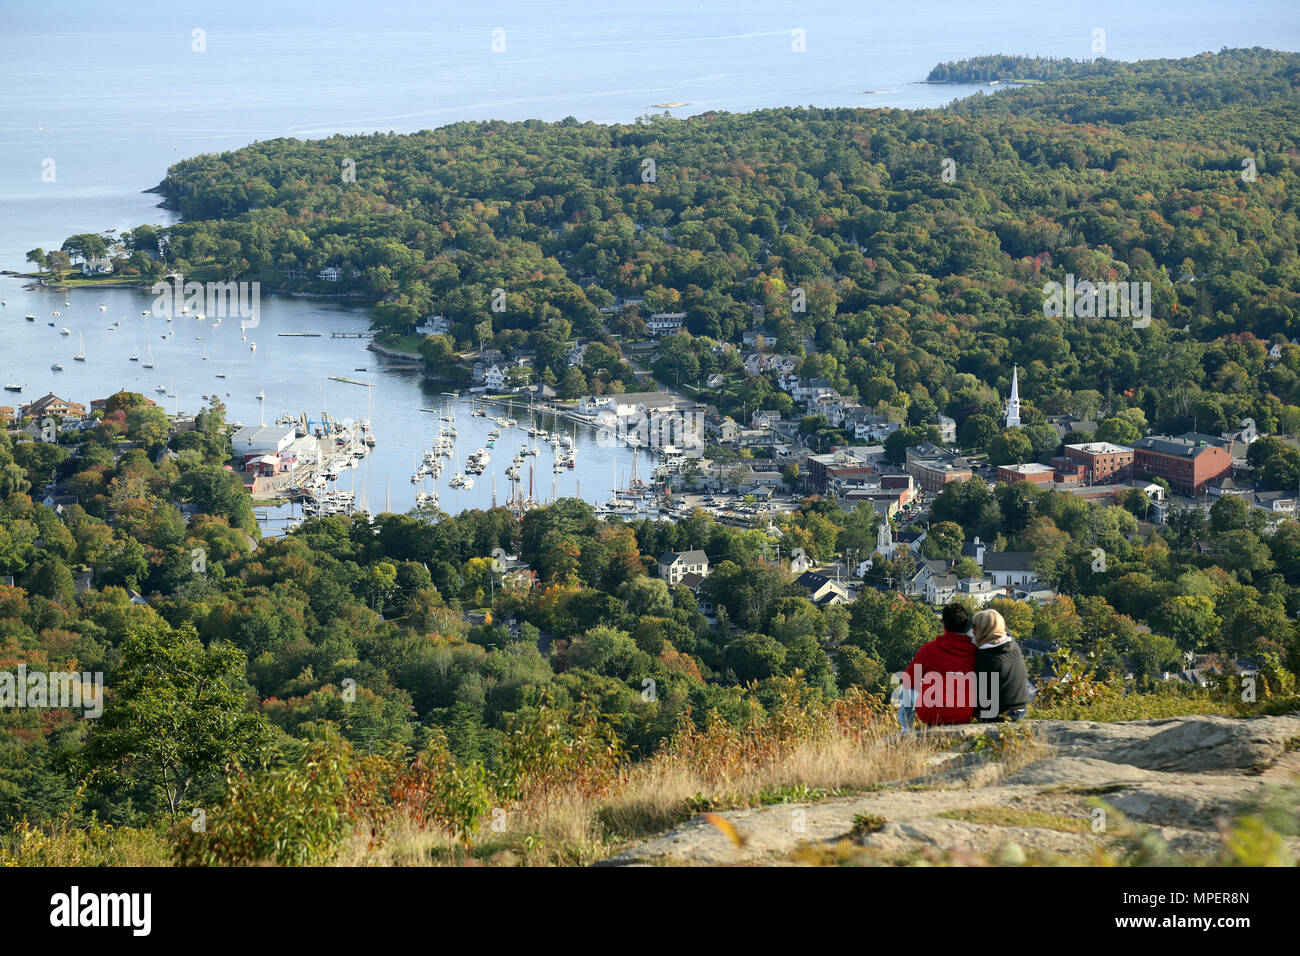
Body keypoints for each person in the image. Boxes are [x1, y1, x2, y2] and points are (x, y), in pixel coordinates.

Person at [897, 603, 977, 728]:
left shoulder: (929, 649)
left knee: (907, 687)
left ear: (943, 625)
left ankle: (905, 730)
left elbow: (908, 680)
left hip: (932, 713)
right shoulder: (975, 652)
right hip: (964, 714)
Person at [971, 608, 1031, 722]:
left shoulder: (985, 657)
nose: (973, 631)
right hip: (1021, 708)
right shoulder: (1013, 646)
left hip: (999, 715)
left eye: (975, 627)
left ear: (983, 629)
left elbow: (982, 698)